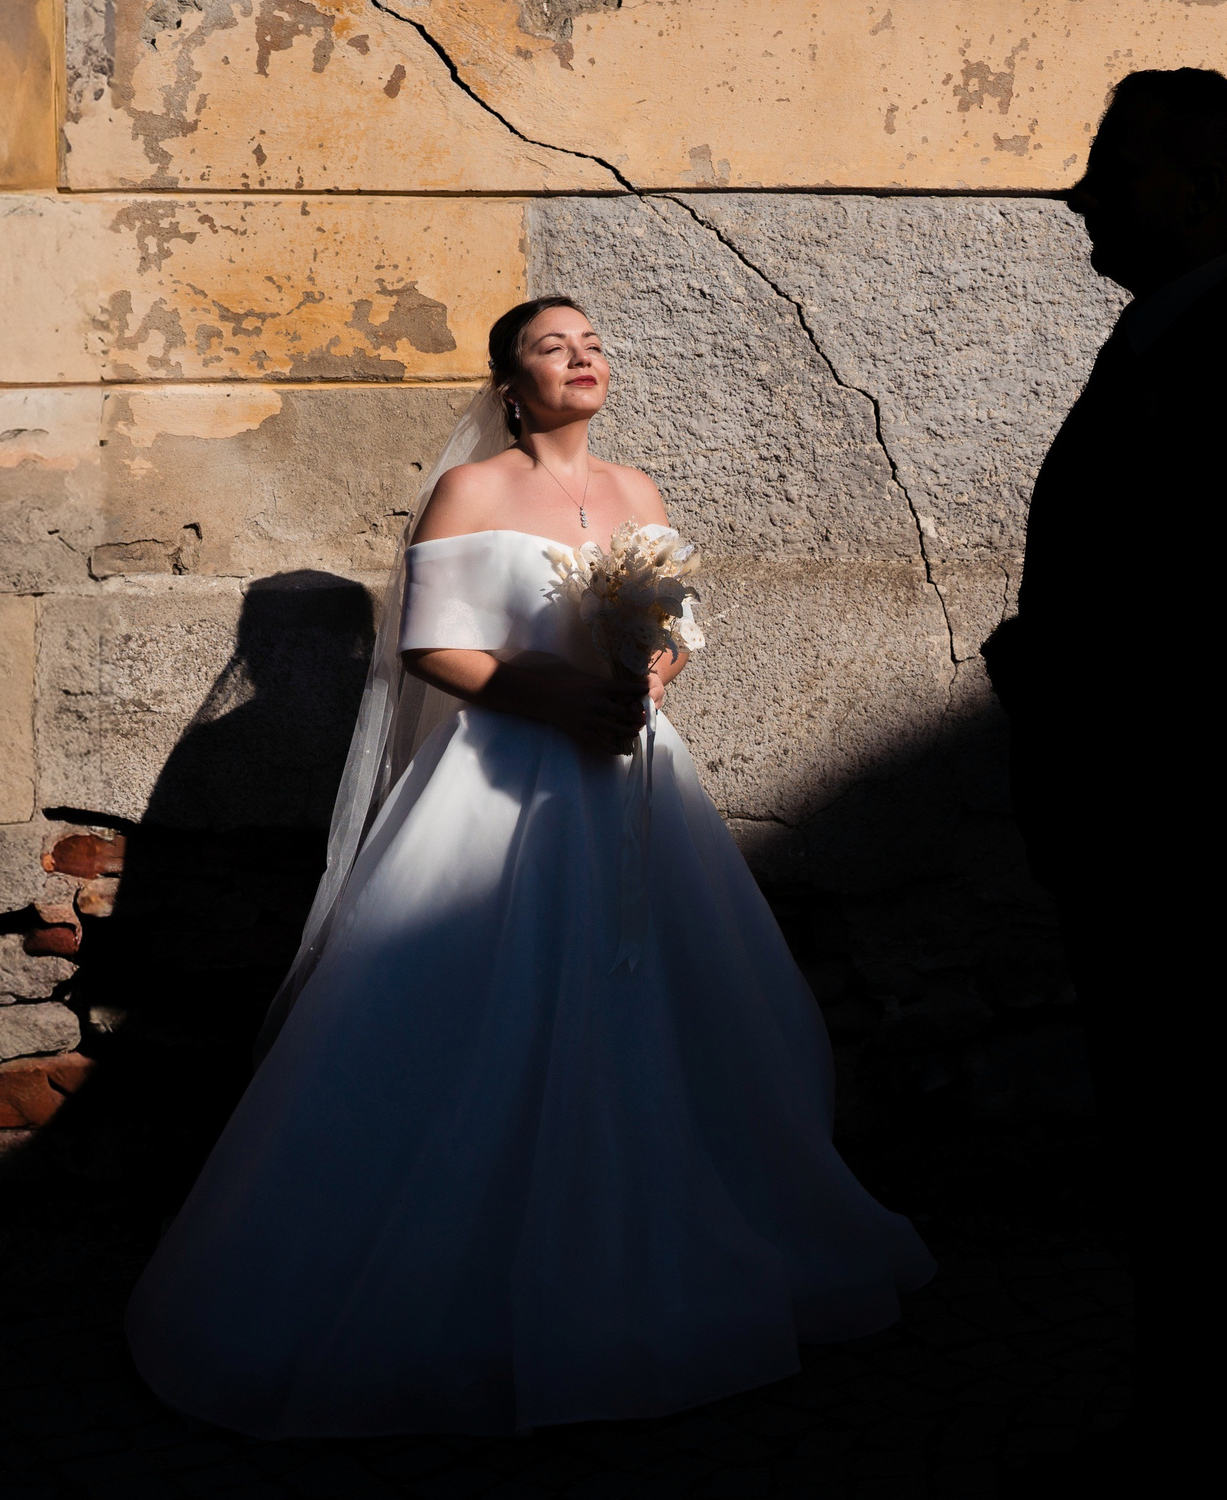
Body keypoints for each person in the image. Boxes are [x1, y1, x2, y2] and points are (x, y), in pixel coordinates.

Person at [126, 296, 933, 1438]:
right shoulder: (473, 491)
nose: (582, 358)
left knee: (666, 1006)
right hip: (505, 775)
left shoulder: (638, 492)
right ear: (510, 381)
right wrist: (558, 697)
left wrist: (646, 686)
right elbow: (432, 649)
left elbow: (672, 632)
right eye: (554, 347)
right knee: (469, 1011)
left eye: (594, 342)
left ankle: (675, 1254)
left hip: (633, 776)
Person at [985, 70, 1227, 1500]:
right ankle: (1176, 1433)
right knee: (1165, 1153)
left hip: (1178, 828)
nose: (1083, 199)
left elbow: (1209, 616)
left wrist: (1043, 665)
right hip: (1141, 823)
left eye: (1111, 170)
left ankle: (1206, 1456)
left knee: (1198, 1156)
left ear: (1193, 188)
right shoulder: (1162, 343)